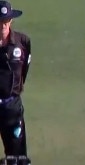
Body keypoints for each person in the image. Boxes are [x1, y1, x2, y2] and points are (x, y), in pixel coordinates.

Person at [0, 1, 31, 164]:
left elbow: (23, 71)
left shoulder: (22, 42)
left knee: (17, 156)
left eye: (5, 21)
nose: (2, 25)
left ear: (10, 21)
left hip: (12, 107)